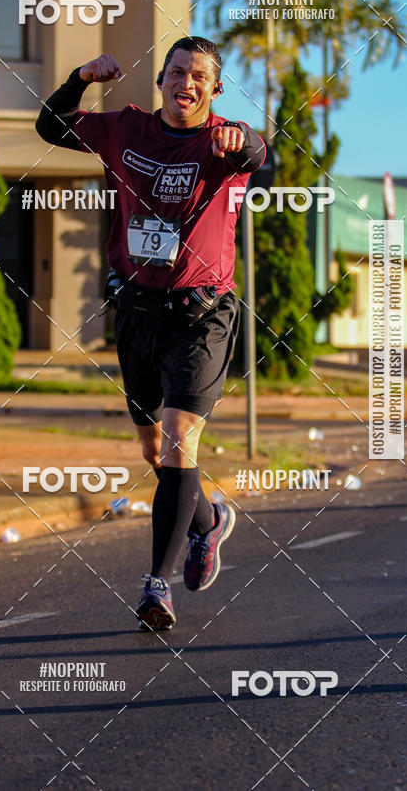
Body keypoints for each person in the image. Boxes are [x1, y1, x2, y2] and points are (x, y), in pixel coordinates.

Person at [36, 36, 266, 631]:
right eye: (176, 72)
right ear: (160, 79)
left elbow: (258, 153)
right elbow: (50, 127)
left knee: (177, 440)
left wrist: (243, 141)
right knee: (150, 449)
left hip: (202, 315)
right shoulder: (124, 131)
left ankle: (156, 587)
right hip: (137, 311)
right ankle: (209, 522)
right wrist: (81, 76)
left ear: (214, 89)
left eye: (199, 77)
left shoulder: (224, 141)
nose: (185, 83)